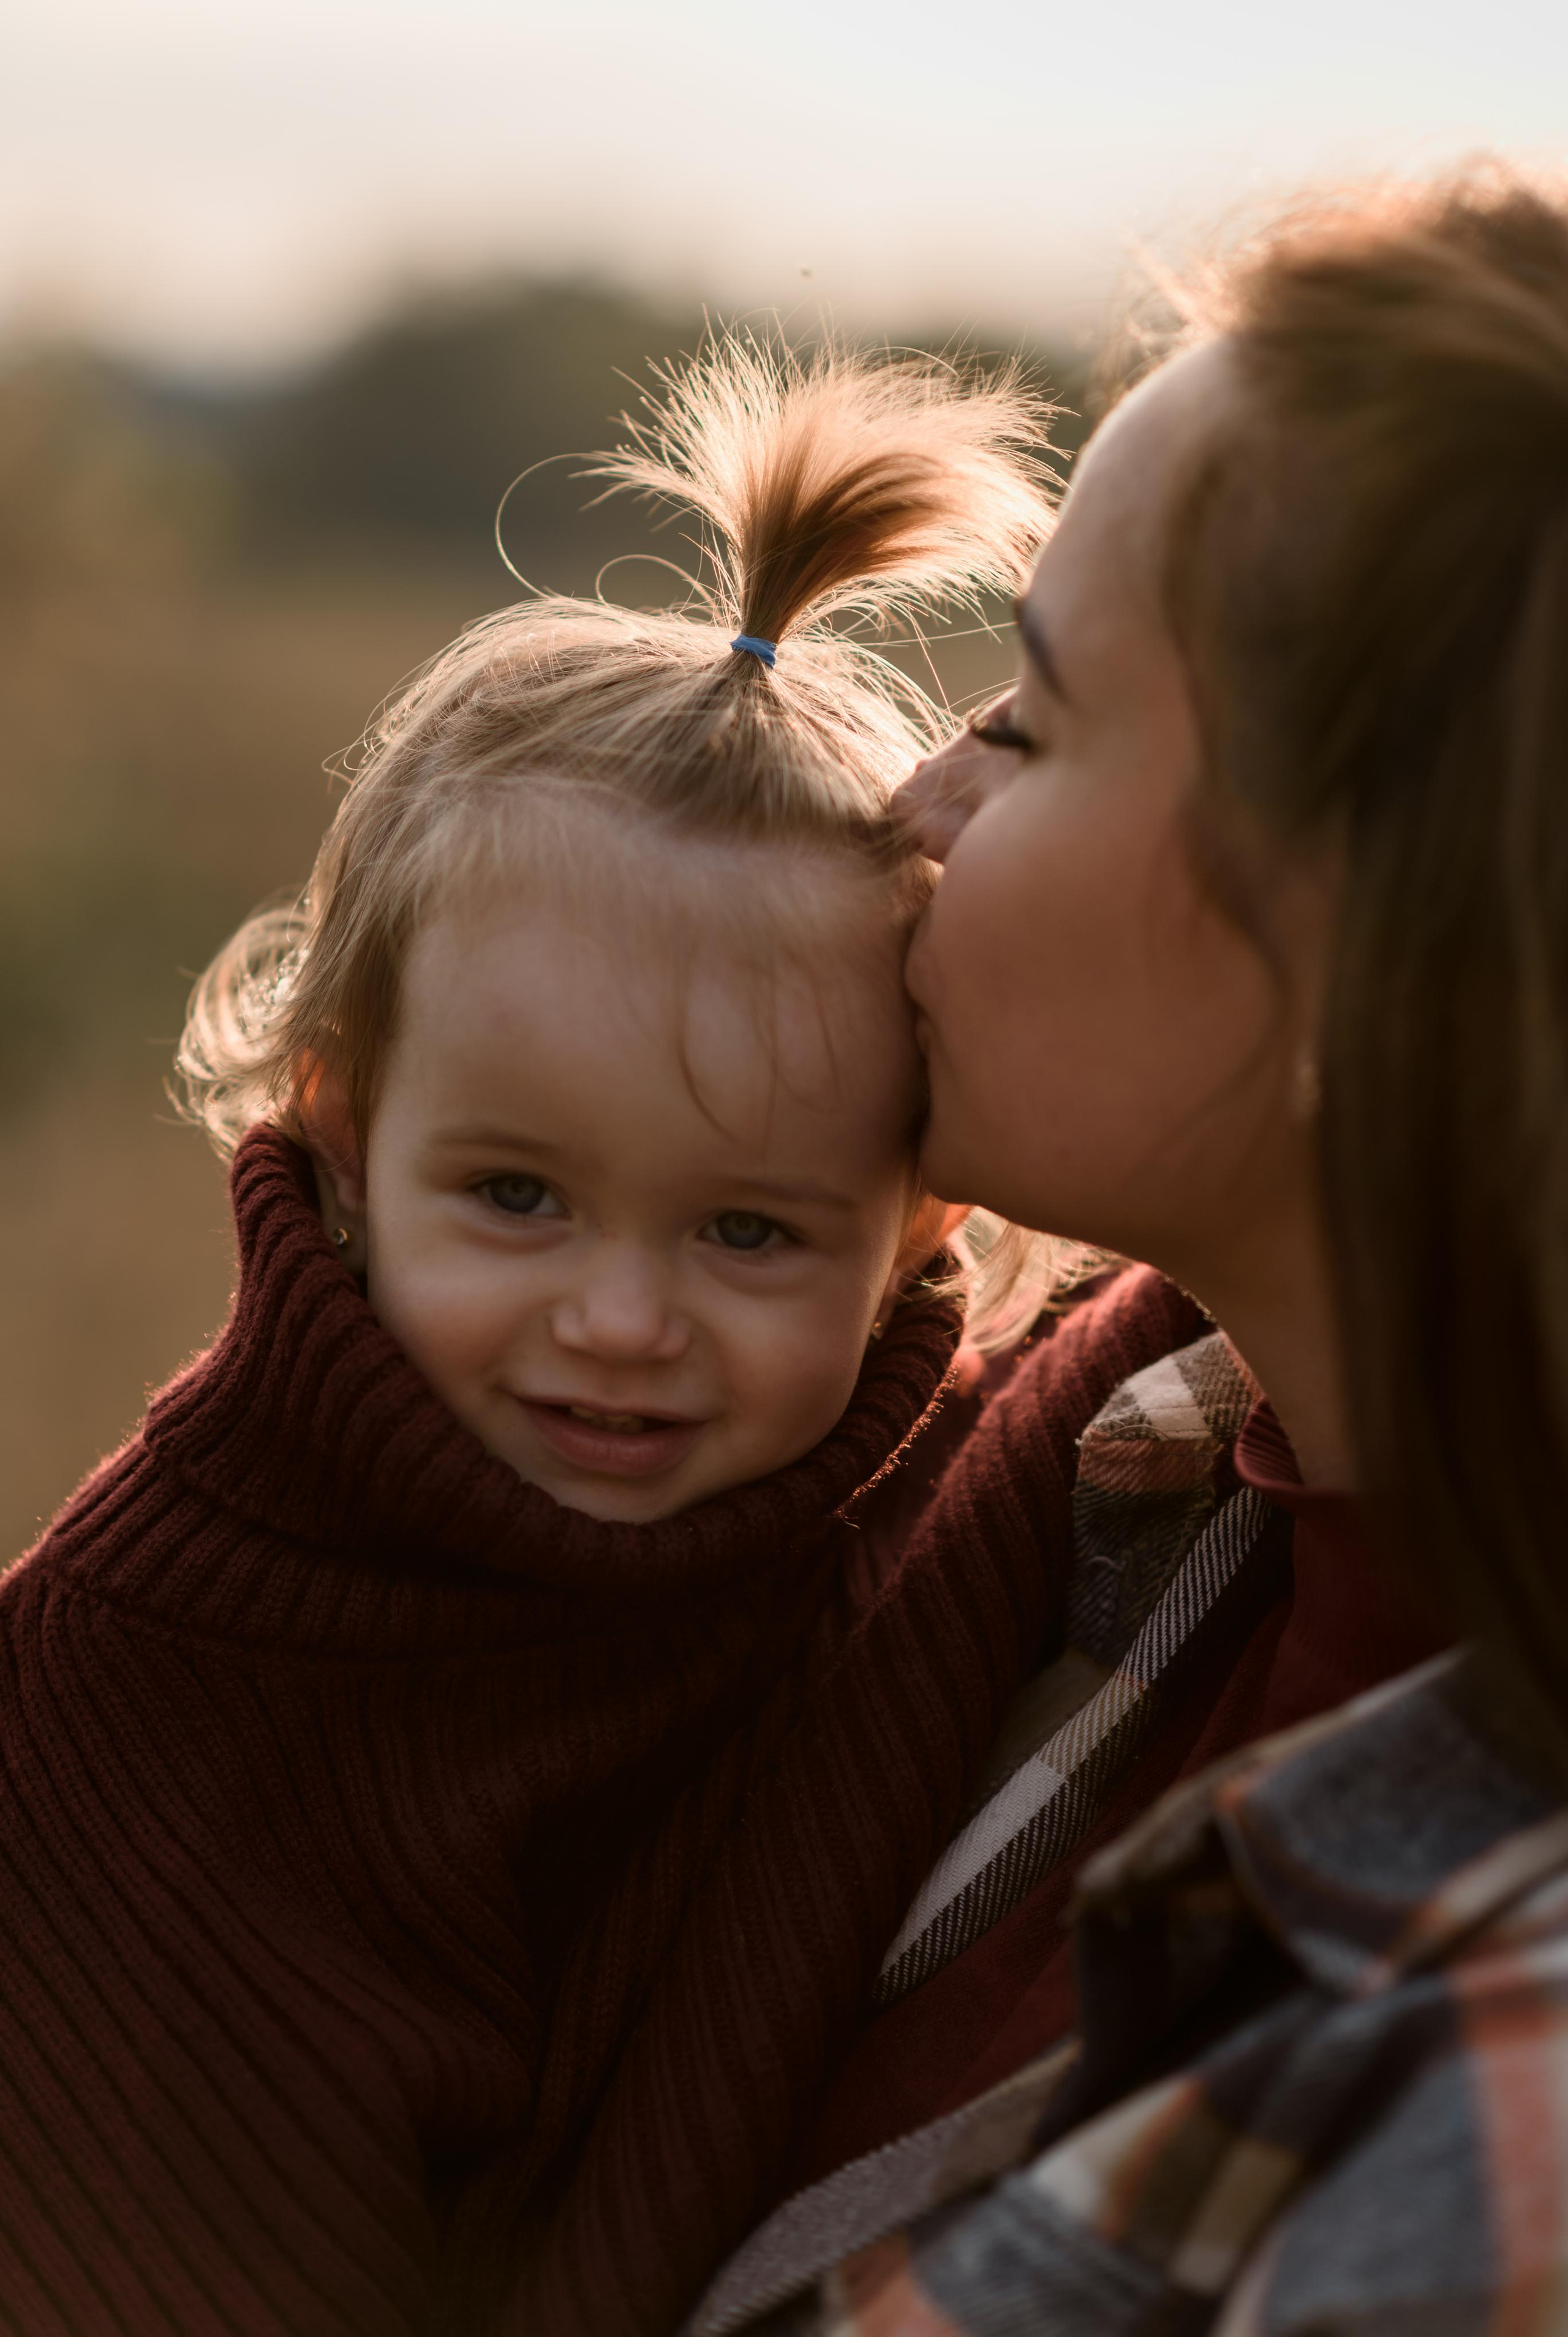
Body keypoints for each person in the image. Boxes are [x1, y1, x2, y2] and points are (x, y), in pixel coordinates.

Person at [0, 341, 1083, 2337]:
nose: (618, 1319)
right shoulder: (140, 1712)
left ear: (920, 1227)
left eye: (750, 1228)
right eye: (515, 1195)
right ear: (336, 1119)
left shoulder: (971, 1475)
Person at [685, 167, 1568, 2336]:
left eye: (1034, 717)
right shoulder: (1102, 1463)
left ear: (1365, 947)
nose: (915, 807)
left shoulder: (1508, 2117)